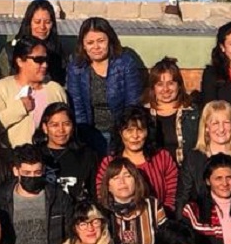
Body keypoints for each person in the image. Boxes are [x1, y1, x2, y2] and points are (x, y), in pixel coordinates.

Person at [0, 145, 72, 244]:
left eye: (37, 172)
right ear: (16, 171)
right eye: (27, 173)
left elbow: (70, 233)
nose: (32, 177)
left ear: (44, 170)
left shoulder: (58, 198)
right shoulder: (0, 201)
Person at [65, 17, 143, 154]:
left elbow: (132, 103)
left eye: (101, 41)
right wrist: (85, 137)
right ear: (83, 45)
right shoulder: (76, 67)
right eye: (90, 42)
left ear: (110, 40)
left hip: (121, 132)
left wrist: (122, 133)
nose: (96, 47)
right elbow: (77, 107)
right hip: (90, 132)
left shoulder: (125, 63)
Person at [0, 36, 69, 149]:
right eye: (38, 60)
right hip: (14, 159)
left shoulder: (55, 89)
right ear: (20, 61)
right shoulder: (1, 88)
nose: (45, 65)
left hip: (52, 160)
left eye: (46, 60)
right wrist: (19, 109)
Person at [95, 106, 178, 210]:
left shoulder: (162, 157)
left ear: (147, 132)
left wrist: (162, 215)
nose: (135, 136)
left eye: (140, 130)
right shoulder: (109, 162)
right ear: (120, 133)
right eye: (129, 130)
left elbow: (173, 193)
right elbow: (102, 194)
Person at [98, 157, 168, 244]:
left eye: (127, 176)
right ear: (108, 186)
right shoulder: (102, 211)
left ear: (136, 180)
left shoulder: (153, 206)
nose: (122, 181)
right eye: (115, 177)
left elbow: (166, 241)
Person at [35, 102, 99, 202]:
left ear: (73, 127)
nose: (61, 130)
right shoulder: (35, 155)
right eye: (54, 125)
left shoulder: (87, 155)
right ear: (44, 127)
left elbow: (95, 193)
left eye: (66, 124)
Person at [0, 0, 67, 85]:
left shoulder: (58, 53)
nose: (42, 27)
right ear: (29, 23)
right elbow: (1, 85)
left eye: (47, 22)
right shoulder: (10, 51)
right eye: (37, 22)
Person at [144, 57, 199, 166]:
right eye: (160, 84)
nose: (166, 89)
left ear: (179, 85)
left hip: (185, 173)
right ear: (153, 88)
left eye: (170, 83)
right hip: (154, 172)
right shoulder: (143, 114)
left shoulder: (193, 113)